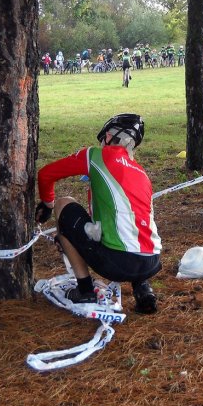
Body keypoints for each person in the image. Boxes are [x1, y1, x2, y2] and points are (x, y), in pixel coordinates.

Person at [35, 114, 161, 314]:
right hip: (152, 261)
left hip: (116, 263)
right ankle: (142, 288)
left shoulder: (95, 155)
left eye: (103, 139)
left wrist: (48, 203)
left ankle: (85, 289)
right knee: (132, 220)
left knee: (63, 204)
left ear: (110, 137)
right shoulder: (141, 173)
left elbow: (46, 174)